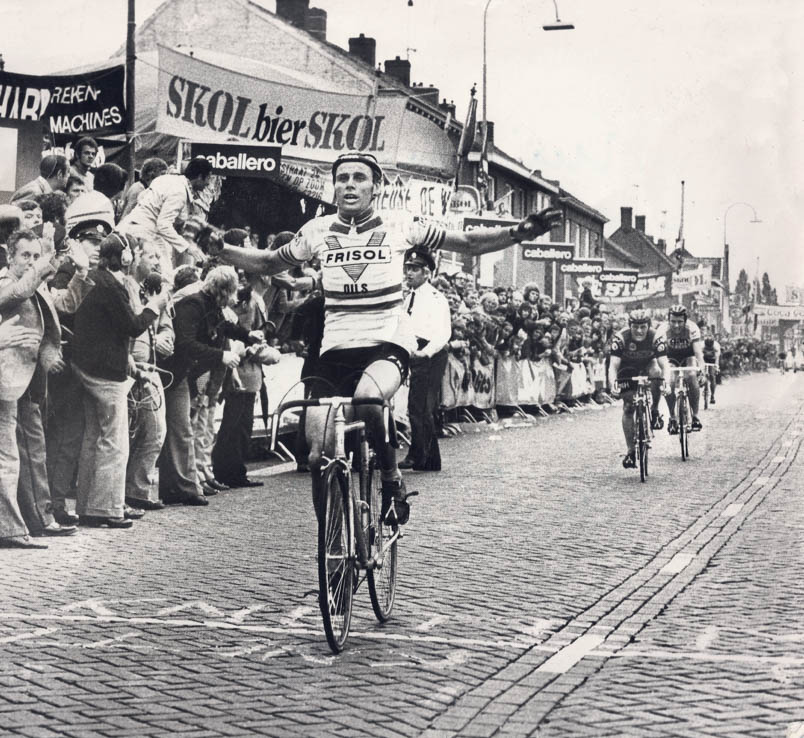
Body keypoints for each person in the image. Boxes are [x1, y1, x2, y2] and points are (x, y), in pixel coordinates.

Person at [211, 150, 562, 526]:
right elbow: (267, 262)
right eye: (342, 178)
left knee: (367, 399)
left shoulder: (400, 223)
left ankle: (392, 479)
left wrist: (519, 232)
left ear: (376, 187)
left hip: (385, 343)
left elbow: (467, 242)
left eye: (359, 178)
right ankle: (330, 545)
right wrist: (220, 249)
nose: (349, 185)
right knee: (315, 454)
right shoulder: (317, 230)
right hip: (335, 349)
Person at [71, 232, 170, 528]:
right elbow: (132, 326)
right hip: (106, 372)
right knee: (114, 443)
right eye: (134, 252)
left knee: (93, 438)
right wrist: (156, 305)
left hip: (87, 366)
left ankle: (88, 506)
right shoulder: (112, 285)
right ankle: (106, 509)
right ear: (124, 256)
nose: (136, 257)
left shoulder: (100, 280)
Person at [0, 230, 78, 547]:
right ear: (9, 257)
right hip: (6, 379)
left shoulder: (36, 283)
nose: (31, 262)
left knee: (17, 457)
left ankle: (19, 525)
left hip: (24, 379)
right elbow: (16, 294)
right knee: (10, 458)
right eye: (25, 256)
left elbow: (54, 316)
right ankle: (15, 528)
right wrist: (44, 265)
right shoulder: (7, 282)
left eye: (35, 255)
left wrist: (49, 351)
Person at [399, 245, 451, 472]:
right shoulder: (407, 296)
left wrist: (426, 352)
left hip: (430, 354)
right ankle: (426, 457)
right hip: (413, 350)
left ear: (427, 272)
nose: (409, 272)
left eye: (415, 269)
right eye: (407, 267)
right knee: (416, 406)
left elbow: (443, 332)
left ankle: (421, 455)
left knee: (422, 406)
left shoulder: (435, 297)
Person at [117, 157, 213, 272]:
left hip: (129, 227)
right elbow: (163, 225)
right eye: (208, 178)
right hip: (144, 233)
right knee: (164, 276)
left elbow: (141, 196)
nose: (208, 183)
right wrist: (188, 248)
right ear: (199, 177)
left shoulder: (167, 179)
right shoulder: (179, 192)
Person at [608, 308, 670, 469]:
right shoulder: (621, 338)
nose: (639, 331)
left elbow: (665, 364)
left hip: (648, 365)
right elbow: (613, 366)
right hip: (627, 368)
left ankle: (655, 411)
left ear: (648, 326)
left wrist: (667, 383)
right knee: (629, 407)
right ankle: (630, 452)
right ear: (630, 326)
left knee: (656, 372)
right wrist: (613, 384)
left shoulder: (656, 336)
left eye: (643, 327)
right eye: (635, 327)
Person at [658, 304, 705, 433]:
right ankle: (672, 417)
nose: (676, 325)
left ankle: (695, 416)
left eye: (680, 322)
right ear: (668, 320)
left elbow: (698, 354)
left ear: (685, 321)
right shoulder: (662, 330)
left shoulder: (692, 328)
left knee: (691, 375)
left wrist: (701, 370)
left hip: (688, 355)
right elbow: (658, 355)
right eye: (673, 322)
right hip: (671, 357)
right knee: (670, 382)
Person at [702, 330, 721, 404]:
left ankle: (712, 395)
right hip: (704, 359)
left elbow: (717, 358)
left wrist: (716, 366)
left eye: (710, 347)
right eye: (707, 347)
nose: (708, 348)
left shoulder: (716, 346)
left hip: (712, 360)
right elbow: (698, 356)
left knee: (712, 376)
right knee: (701, 373)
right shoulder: (702, 345)